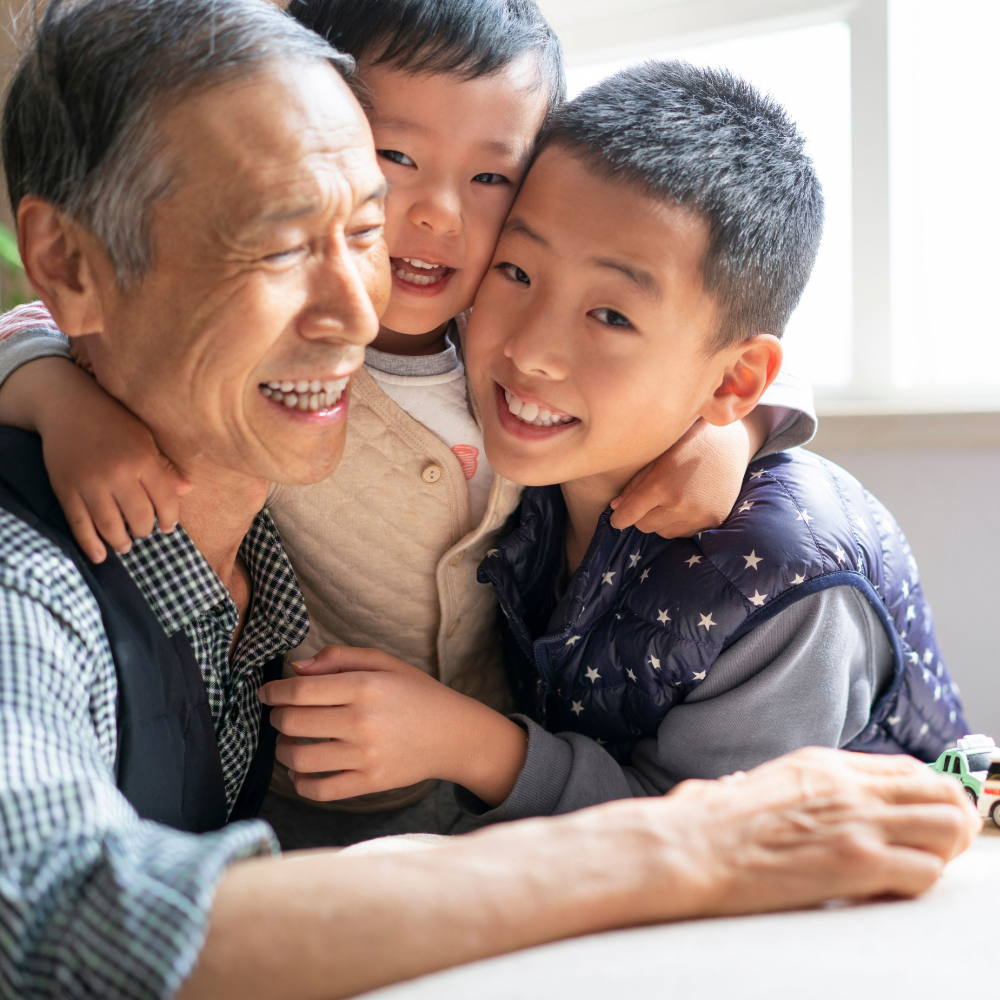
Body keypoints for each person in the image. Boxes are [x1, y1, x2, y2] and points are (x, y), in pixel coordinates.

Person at [0, 1, 980, 997]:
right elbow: (45, 917)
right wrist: (684, 841)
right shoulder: (28, 579)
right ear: (72, 264)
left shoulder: (470, 345)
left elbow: (685, 278)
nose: (359, 304)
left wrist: (735, 420)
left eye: (364, 230)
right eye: (280, 244)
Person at [252, 63, 968, 819]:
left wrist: (473, 746)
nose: (530, 352)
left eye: (613, 317)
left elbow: (703, 843)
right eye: (517, 271)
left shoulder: (787, 591)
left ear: (734, 383)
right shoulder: (545, 440)